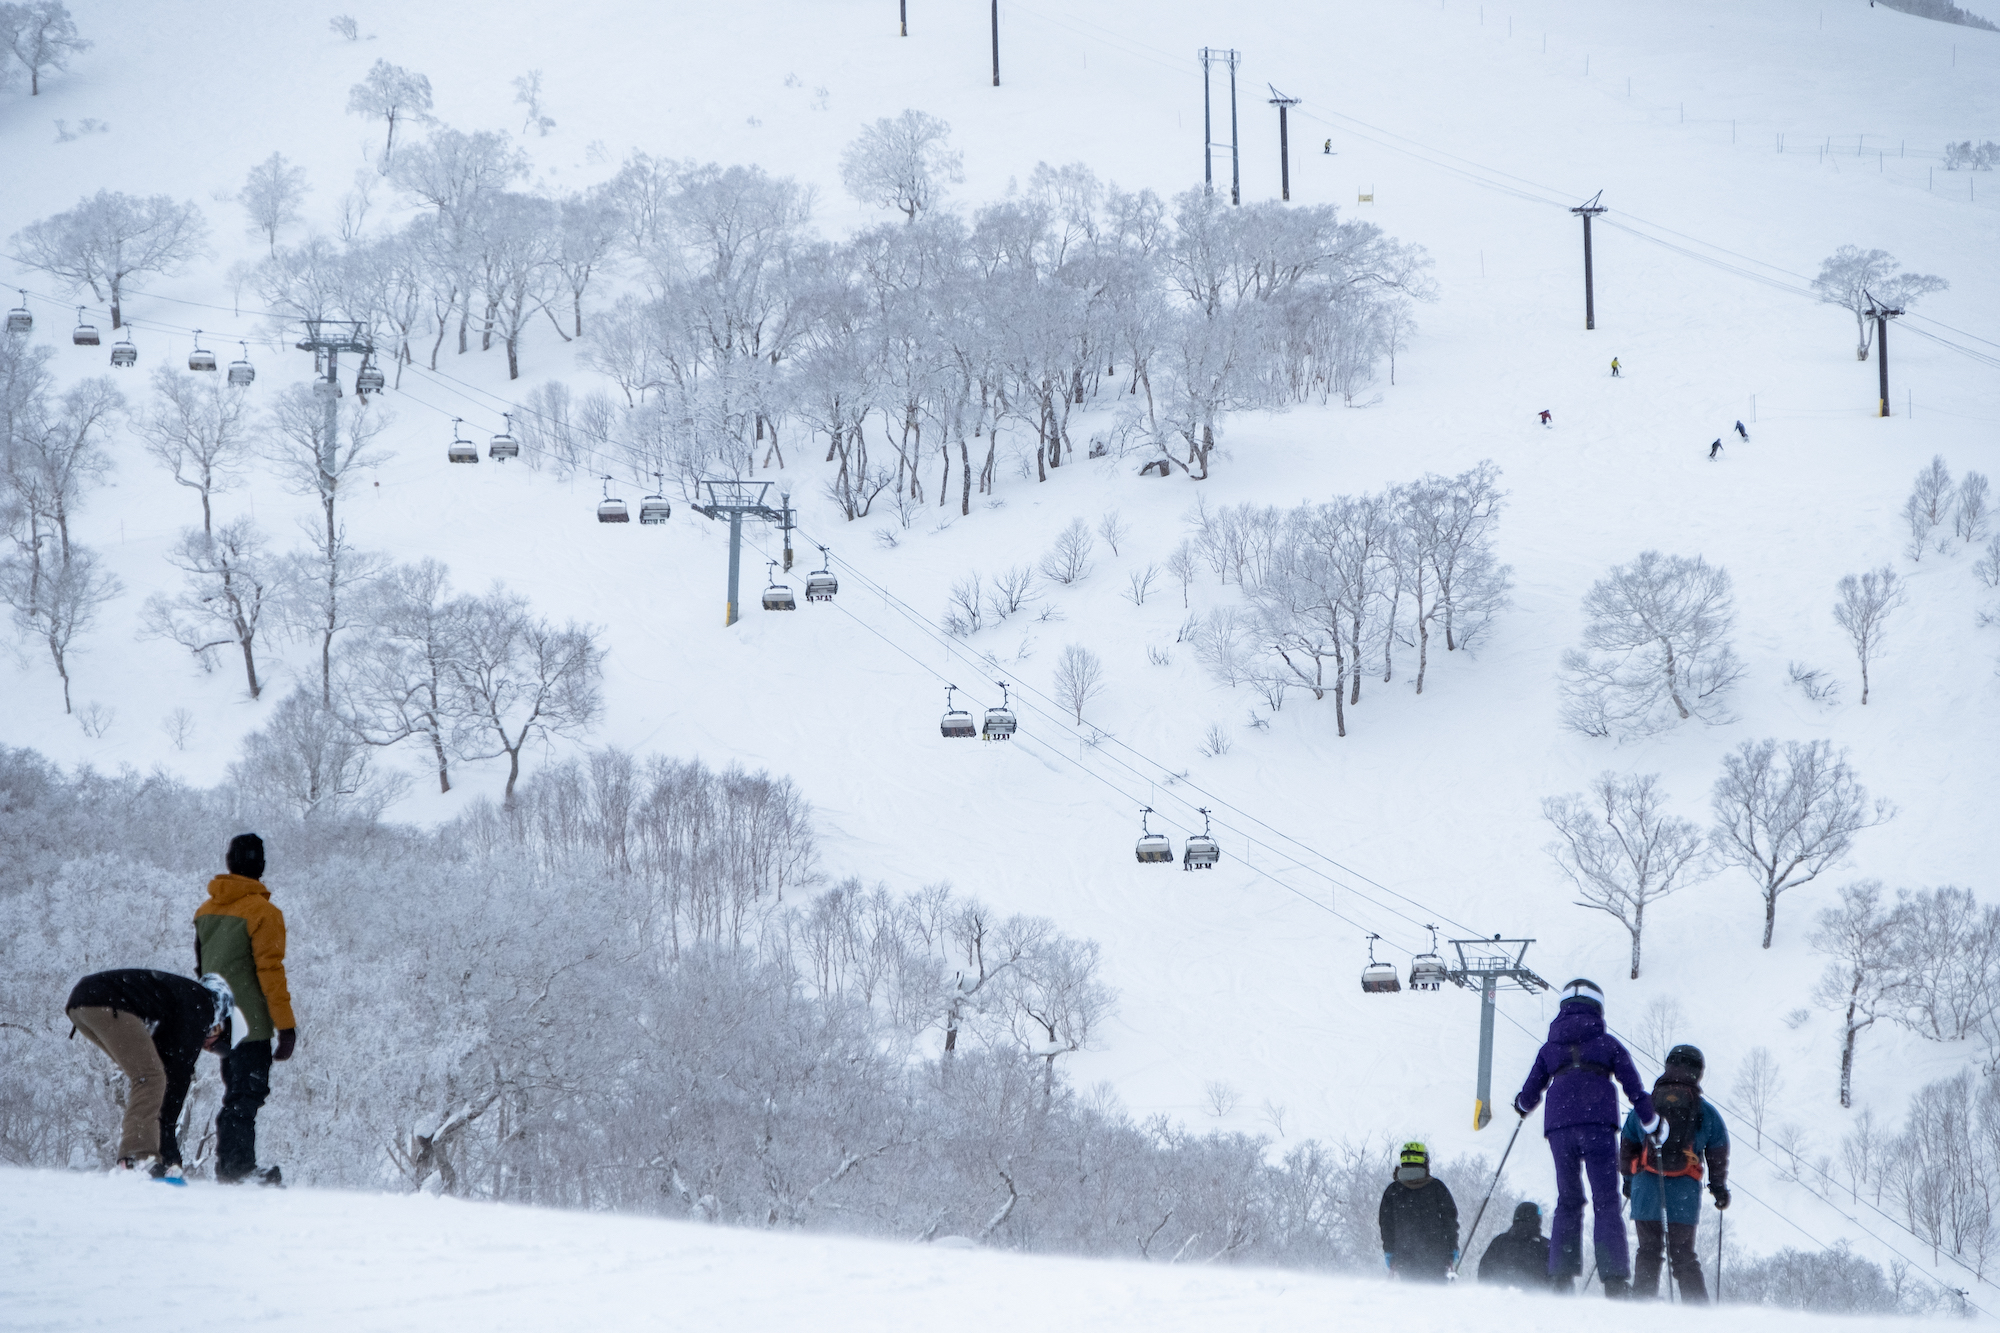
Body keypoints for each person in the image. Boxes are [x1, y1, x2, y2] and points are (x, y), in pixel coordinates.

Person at [1512, 978, 1657, 1298]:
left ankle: (1561, 1278)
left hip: (1560, 1128)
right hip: (1598, 1125)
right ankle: (1615, 1282)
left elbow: (1529, 1096)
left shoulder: (1549, 1048)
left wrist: (1520, 1105)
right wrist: (1650, 1119)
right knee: (1606, 1201)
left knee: (1569, 1200)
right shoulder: (1607, 1044)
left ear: (1563, 1008)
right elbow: (1633, 1086)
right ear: (1598, 1009)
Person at [194, 833, 295, 1185]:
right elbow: (270, 972)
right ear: (261, 866)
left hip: (220, 1020)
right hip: (251, 1022)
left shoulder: (205, 913)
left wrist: (207, 1020)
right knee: (247, 1092)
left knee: (235, 1090)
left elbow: (201, 970)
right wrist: (286, 1026)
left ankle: (232, 1165)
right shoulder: (265, 913)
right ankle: (237, 1169)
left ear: (229, 862)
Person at [65, 969, 234, 1177]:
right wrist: (168, 1139)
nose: (207, 1045)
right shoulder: (201, 1003)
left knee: (146, 1075)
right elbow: (178, 1072)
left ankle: (137, 1156)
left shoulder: (182, 999)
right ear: (219, 1016)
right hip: (106, 1001)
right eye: (215, 1035)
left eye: (214, 1049)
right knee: (150, 1078)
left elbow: (165, 1059)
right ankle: (138, 1156)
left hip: (82, 1003)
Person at [1621, 1045, 1730, 1302]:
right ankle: (1699, 1317)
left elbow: (1627, 1144)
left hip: (1646, 1189)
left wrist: (1628, 1180)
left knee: (1648, 1252)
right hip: (1684, 1193)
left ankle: (1641, 1312)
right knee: (1683, 1256)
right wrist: (1718, 1188)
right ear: (1698, 1073)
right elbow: (1718, 1151)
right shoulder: (1706, 1112)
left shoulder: (1645, 1107)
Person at [1378, 1141, 1460, 1283]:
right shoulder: (1437, 1188)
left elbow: (1386, 1226)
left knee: (1410, 1296)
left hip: (1404, 1259)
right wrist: (1452, 1248)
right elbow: (1450, 1221)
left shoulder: (1392, 1191)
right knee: (1436, 1299)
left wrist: (1390, 1251)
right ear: (1425, 1162)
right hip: (1436, 1258)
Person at [1479, 1201, 1552, 1289]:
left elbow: (1484, 1270)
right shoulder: (1546, 1246)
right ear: (1538, 1220)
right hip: (1536, 1300)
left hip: (1499, 1298)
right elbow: (1555, 1277)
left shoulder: (1500, 1241)